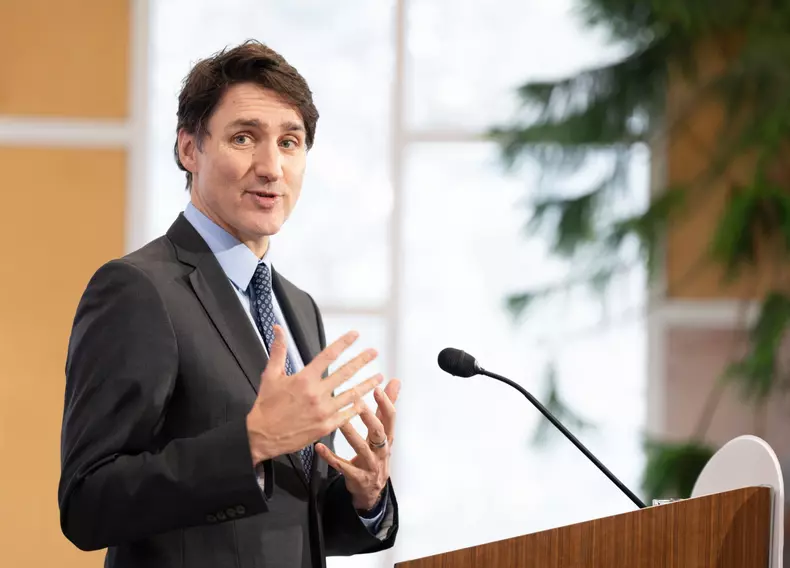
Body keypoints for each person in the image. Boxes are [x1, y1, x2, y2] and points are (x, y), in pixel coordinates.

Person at [58, 40, 400, 568]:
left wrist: (365, 496)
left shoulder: (298, 307)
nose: (271, 167)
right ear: (189, 149)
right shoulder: (137, 290)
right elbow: (87, 502)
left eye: (291, 142)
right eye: (245, 138)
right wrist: (249, 443)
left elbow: (282, 521)